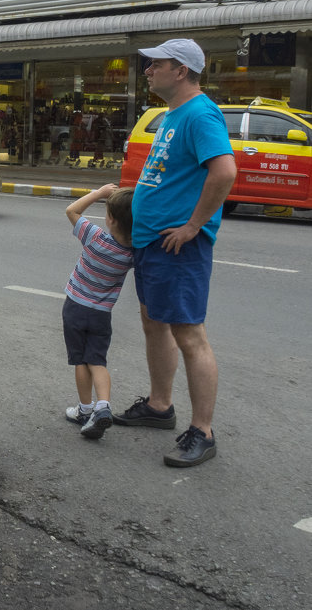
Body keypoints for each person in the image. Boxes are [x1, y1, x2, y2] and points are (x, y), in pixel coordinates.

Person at [113, 39, 236, 467]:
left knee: (188, 333)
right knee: (154, 323)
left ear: (180, 70)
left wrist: (192, 226)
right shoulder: (171, 114)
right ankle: (160, 406)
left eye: (156, 64)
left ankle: (203, 432)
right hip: (151, 240)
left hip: (177, 244)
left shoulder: (201, 113)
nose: (147, 70)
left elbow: (224, 172)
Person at [62, 184, 134, 440]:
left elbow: (72, 210)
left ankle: (84, 409)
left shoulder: (95, 237)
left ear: (111, 219)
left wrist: (100, 193)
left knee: (80, 360)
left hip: (75, 308)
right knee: (97, 360)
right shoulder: (132, 253)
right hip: (102, 314)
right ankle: (103, 405)